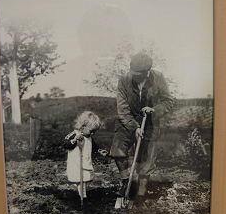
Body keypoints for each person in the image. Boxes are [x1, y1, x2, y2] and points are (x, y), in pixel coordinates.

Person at [110, 52, 174, 204]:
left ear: (147, 72)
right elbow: (122, 108)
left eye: (138, 74)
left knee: (146, 161)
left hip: (150, 122)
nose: (135, 76)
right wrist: (134, 127)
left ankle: (141, 194)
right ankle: (127, 183)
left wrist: (155, 110)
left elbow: (168, 101)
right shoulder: (124, 80)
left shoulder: (158, 78)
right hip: (127, 121)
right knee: (117, 151)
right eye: (133, 72)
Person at [63, 111, 108, 198]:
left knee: (85, 178)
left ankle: (82, 193)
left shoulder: (89, 137)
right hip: (76, 162)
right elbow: (65, 143)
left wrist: (99, 150)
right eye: (91, 131)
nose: (92, 134)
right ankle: (82, 195)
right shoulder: (74, 134)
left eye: (94, 132)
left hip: (85, 160)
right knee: (79, 178)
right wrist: (75, 140)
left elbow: (93, 146)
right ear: (83, 127)